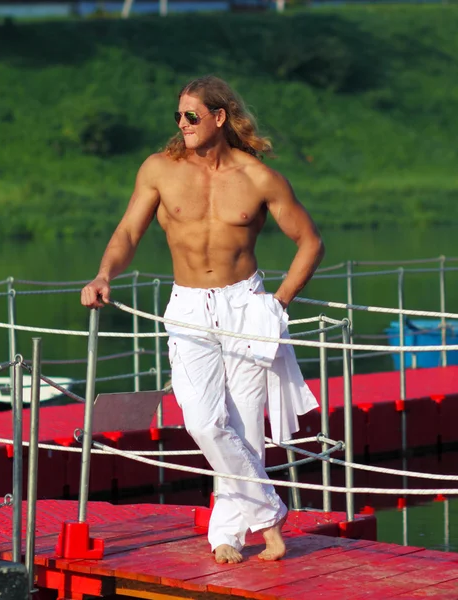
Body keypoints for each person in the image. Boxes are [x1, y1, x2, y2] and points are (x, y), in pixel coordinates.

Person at [81, 75, 324, 564]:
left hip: (246, 304)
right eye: (178, 116)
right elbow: (128, 231)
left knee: (244, 426)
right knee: (204, 422)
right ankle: (270, 514)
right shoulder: (159, 170)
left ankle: (228, 535)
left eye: (192, 116)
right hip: (188, 307)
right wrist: (105, 273)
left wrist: (277, 304)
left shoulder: (258, 177)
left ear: (219, 117)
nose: (182, 124)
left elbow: (311, 243)